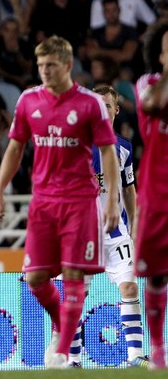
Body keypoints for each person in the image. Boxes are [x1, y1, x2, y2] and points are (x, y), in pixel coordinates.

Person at [0, 36, 120, 369]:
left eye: (50, 65)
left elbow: (107, 151)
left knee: (74, 273)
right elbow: (15, 147)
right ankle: (64, 323)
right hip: (42, 201)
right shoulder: (28, 100)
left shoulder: (90, 103)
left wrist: (112, 201)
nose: (45, 71)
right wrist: (0, 189)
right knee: (34, 277)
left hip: (78, 199)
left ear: (67, 65)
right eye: (40, 66)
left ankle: (61, 352)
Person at [66, 84, 148, 368]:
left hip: (116, 232)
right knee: (76, 296)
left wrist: (134, 227)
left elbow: (129, 190)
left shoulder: (123, 148)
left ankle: (135, 357)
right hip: (81, 234)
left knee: (129, 288)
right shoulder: (74, 144)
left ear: (115, 110)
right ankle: (73, 360)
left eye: (107, 105)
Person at [133, 20, 168, 370]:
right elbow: (154, 105)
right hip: (158, 193)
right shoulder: (150, 83)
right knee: (158, 275)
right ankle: (157, 350)